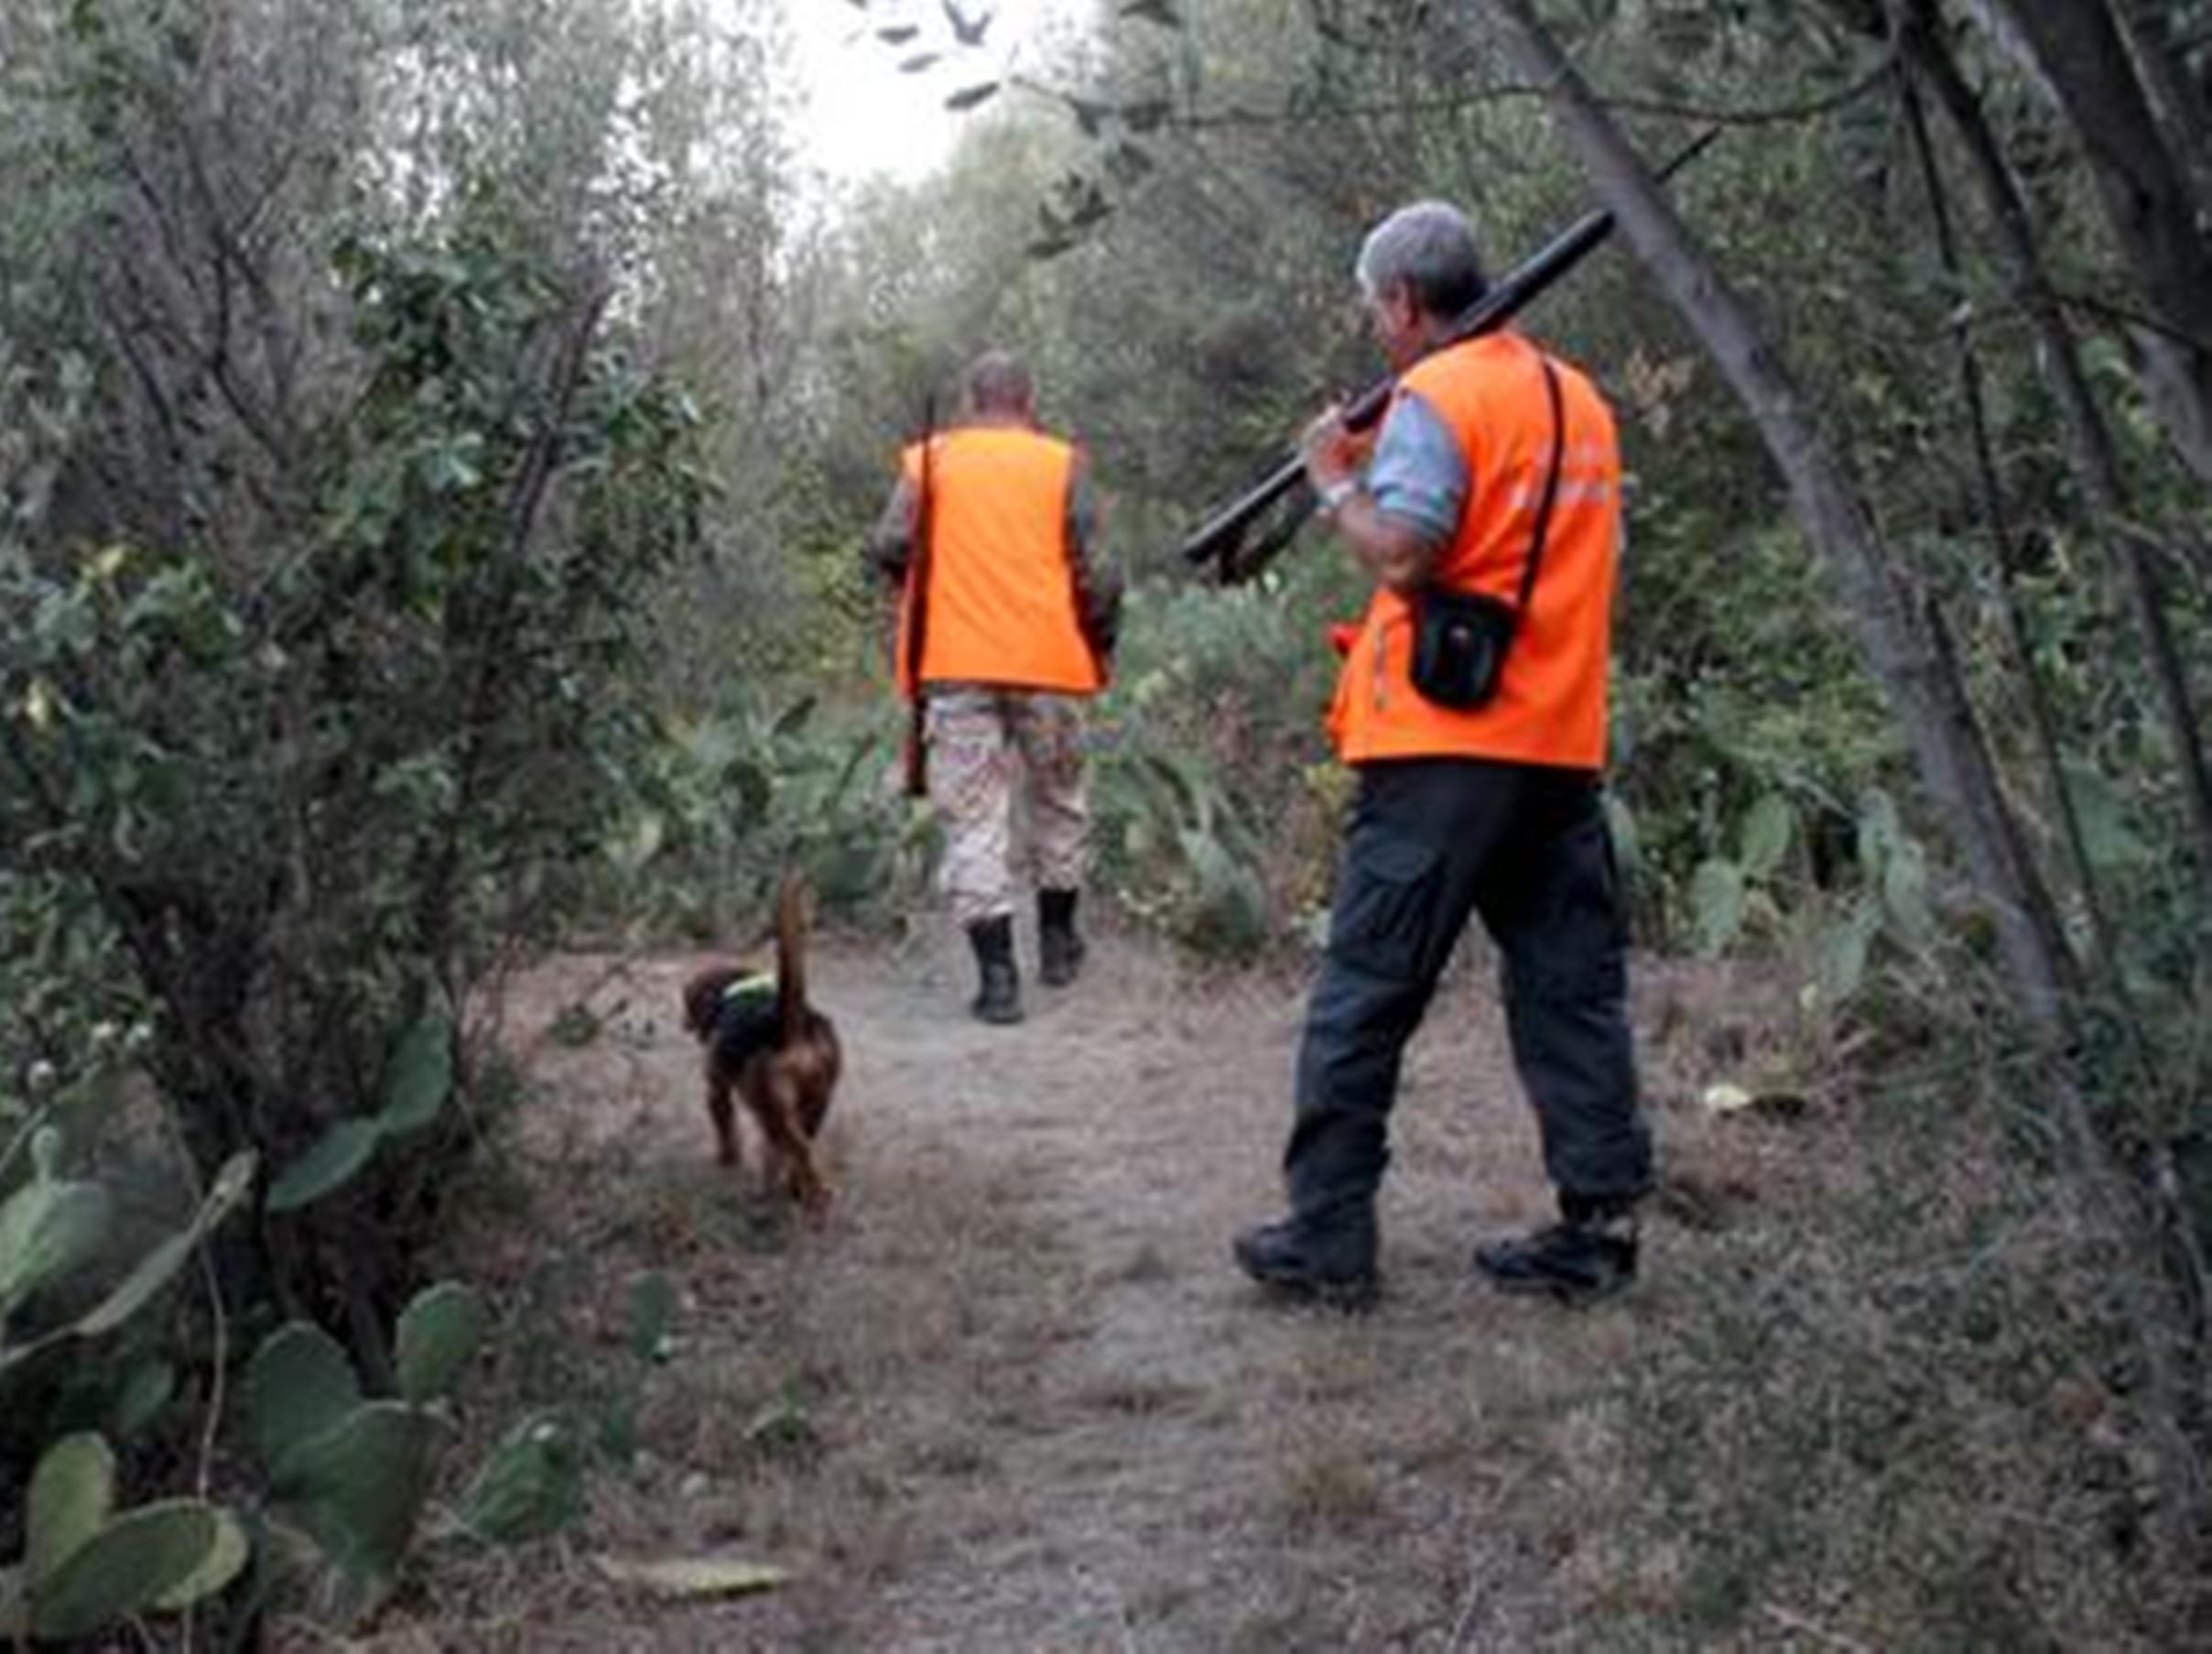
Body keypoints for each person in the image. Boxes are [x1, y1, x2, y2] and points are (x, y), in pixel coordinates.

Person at [1232, 201, 1652, 1309]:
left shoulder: (1437, 394)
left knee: (1364, 992)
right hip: (1557, 743)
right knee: (1571, 995)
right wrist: (1387, 454)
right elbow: (1526, 527)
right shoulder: (1577, 398)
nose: (1377, 330)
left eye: (1377, 310)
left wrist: (1333, 479)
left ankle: (1326, 1238)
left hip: (1442, 750)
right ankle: (1597, 1231)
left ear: (1406, 304)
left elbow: (1407, 552)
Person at [868, 350, 1121, 1026]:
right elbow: (1101, 573)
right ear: (1028, 399)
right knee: (1060, 800)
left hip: (954, 664)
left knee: (974, 818)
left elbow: (889, 545)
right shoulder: (1062, 463)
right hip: (1051, 663)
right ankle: (1061, 946)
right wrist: (1103, 643)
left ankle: (999, 981)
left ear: (970, 401)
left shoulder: (931, 462)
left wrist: (932, 566)